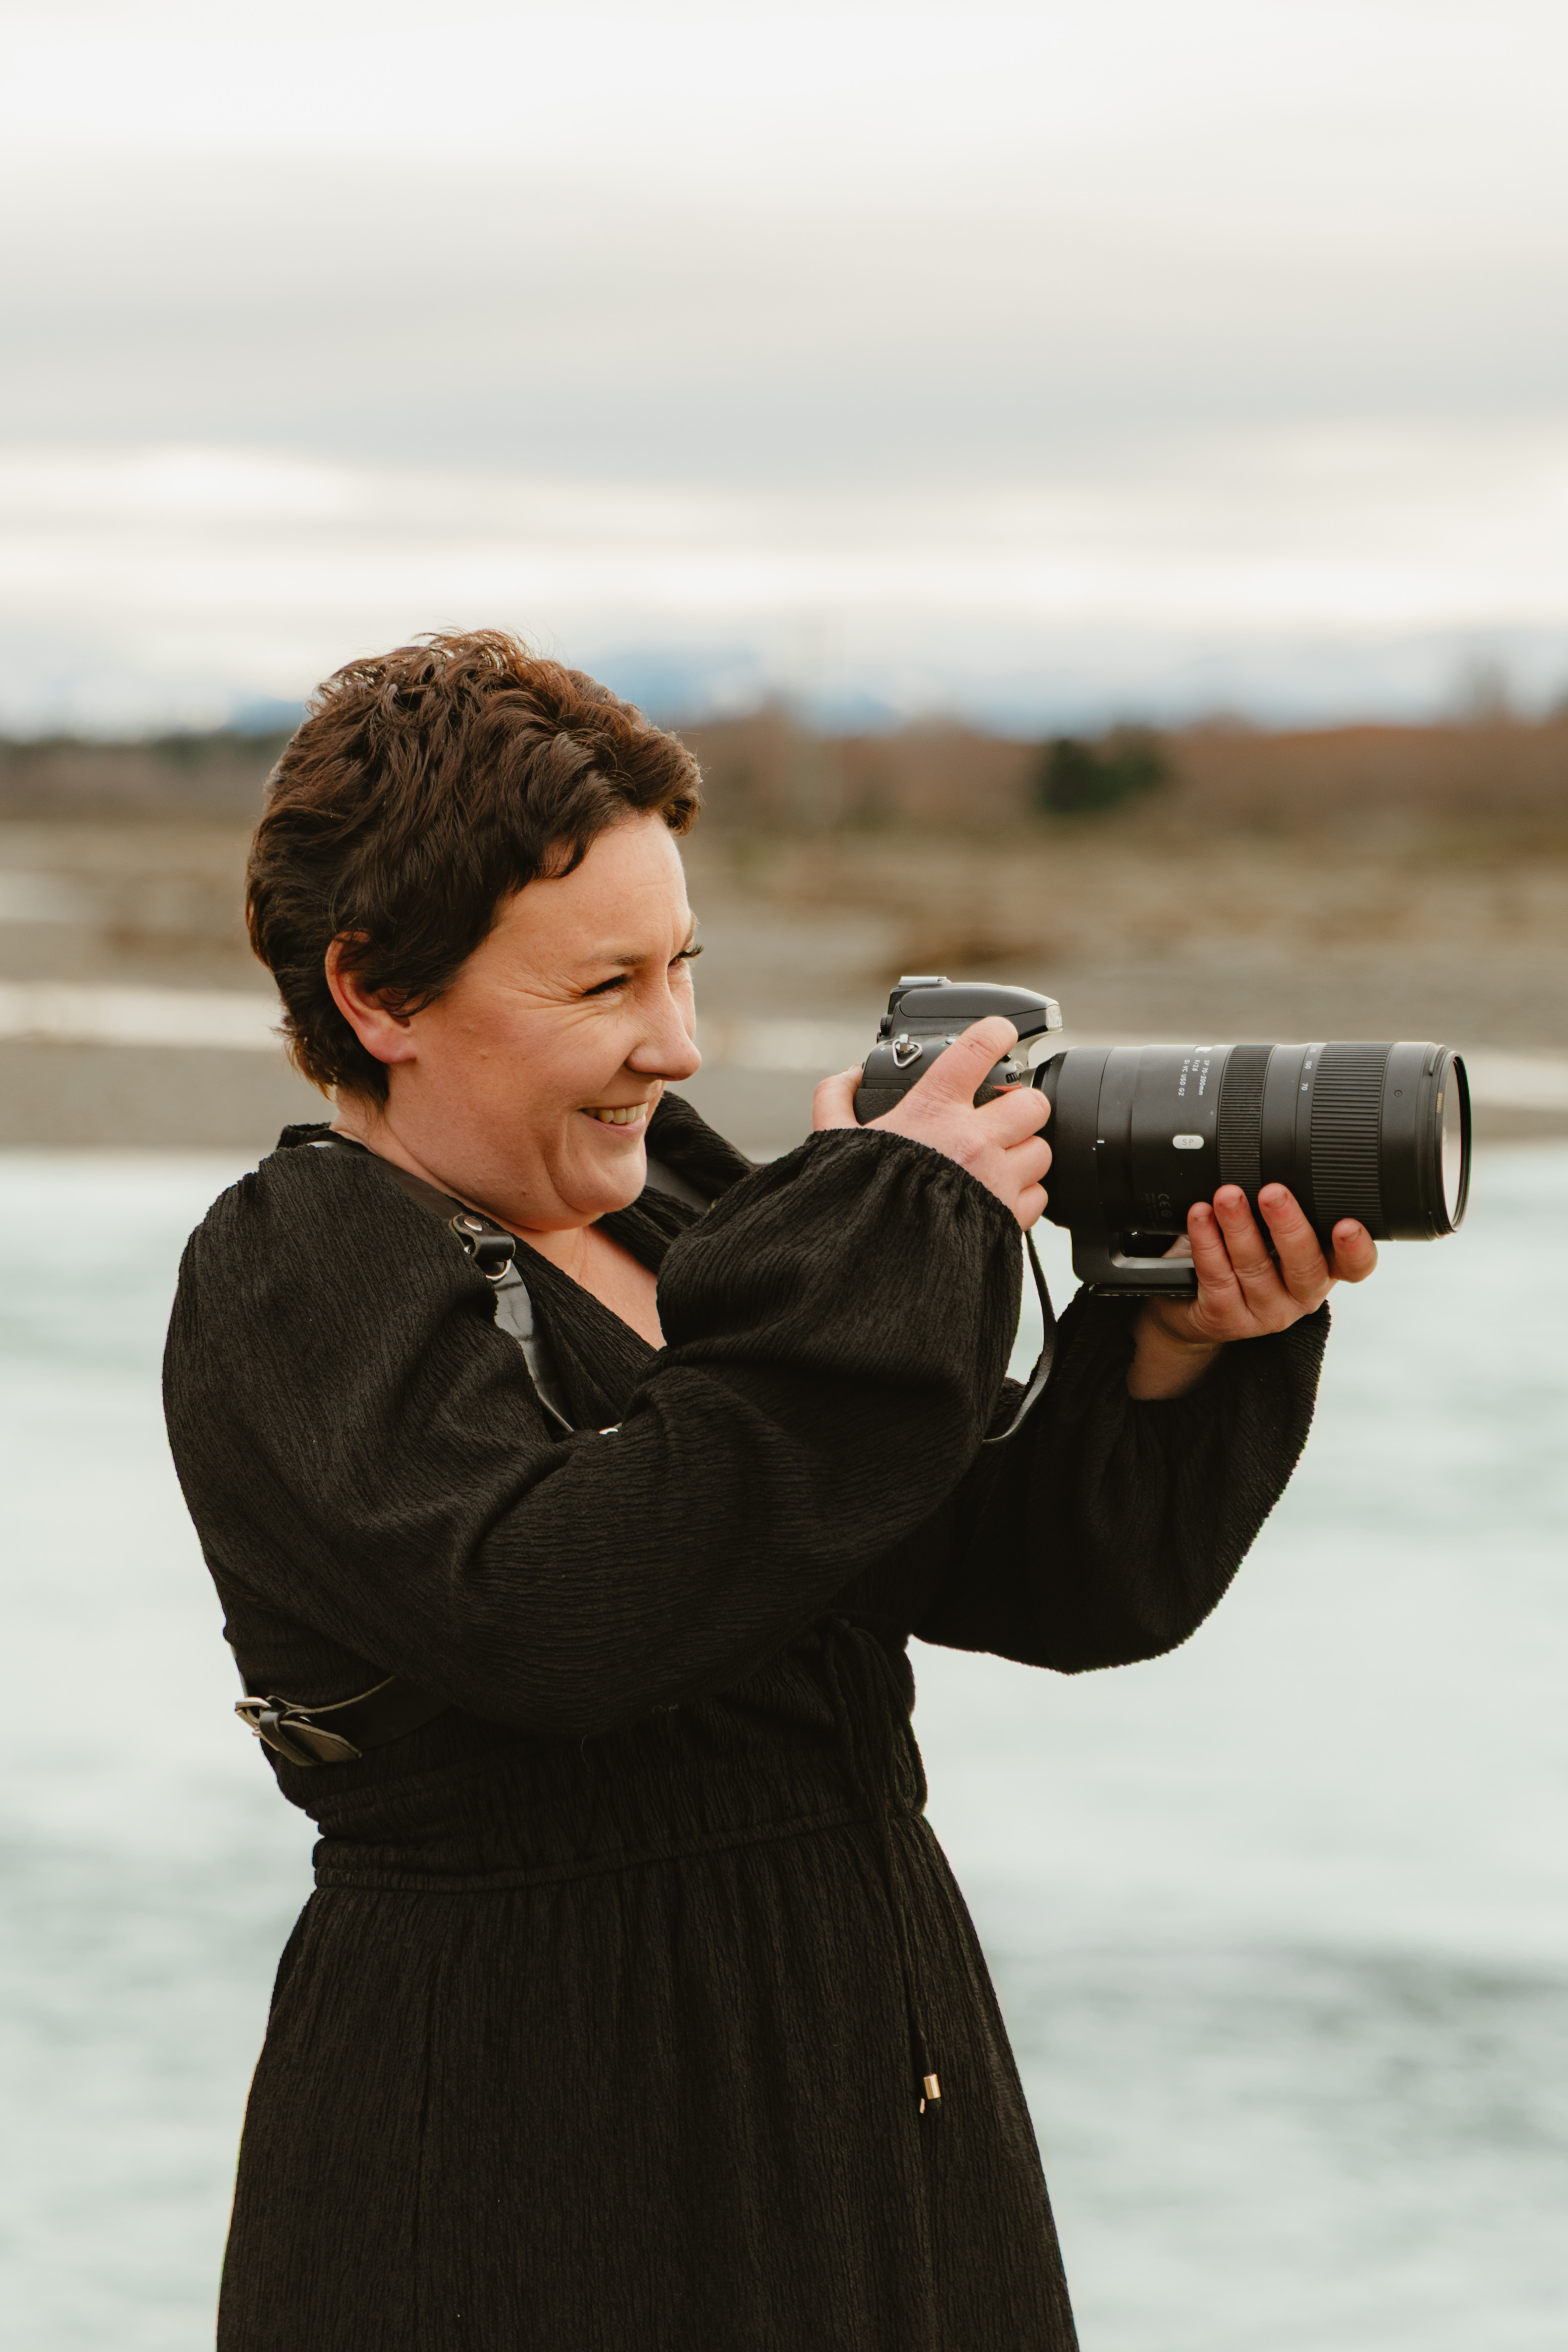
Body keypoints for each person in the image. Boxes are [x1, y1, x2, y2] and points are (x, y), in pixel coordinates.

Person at [164, 630, 1376, 2351]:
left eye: (682, 967)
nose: (676, 1042)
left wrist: (1173, 1346)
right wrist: (893, 1232)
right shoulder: (291, 1267)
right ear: (377, 993)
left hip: (875, 2092)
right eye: (602, 989)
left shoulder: (680, 1205)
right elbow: (558, 1611)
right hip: (529, 2141)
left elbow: (1027, 1574)